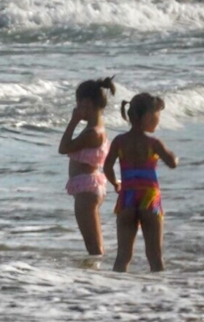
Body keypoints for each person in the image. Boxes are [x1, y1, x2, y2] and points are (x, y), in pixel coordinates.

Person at [105, 92, 179, 272]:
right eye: (157, 115)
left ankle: (112, 293)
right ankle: (160, 292)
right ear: (146, 117)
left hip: (127, 197)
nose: (159, 119)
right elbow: (172, 163)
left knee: (123, 256)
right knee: (155, 256)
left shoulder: (120, 141)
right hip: (149, 198)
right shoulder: (153, 142)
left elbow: (107, 167)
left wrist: (115, 183)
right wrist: (175, 157)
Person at [56, 77, 113, 258]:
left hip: (87, 189)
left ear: (86, 103)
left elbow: (63, 148)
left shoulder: (92, 132)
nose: (77, 107)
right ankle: (97, 277)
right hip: (89, 186)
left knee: (94, 246)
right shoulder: (96, 128)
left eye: (78, 103)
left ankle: (98, 279)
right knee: (92, 243)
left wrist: (73, 121)